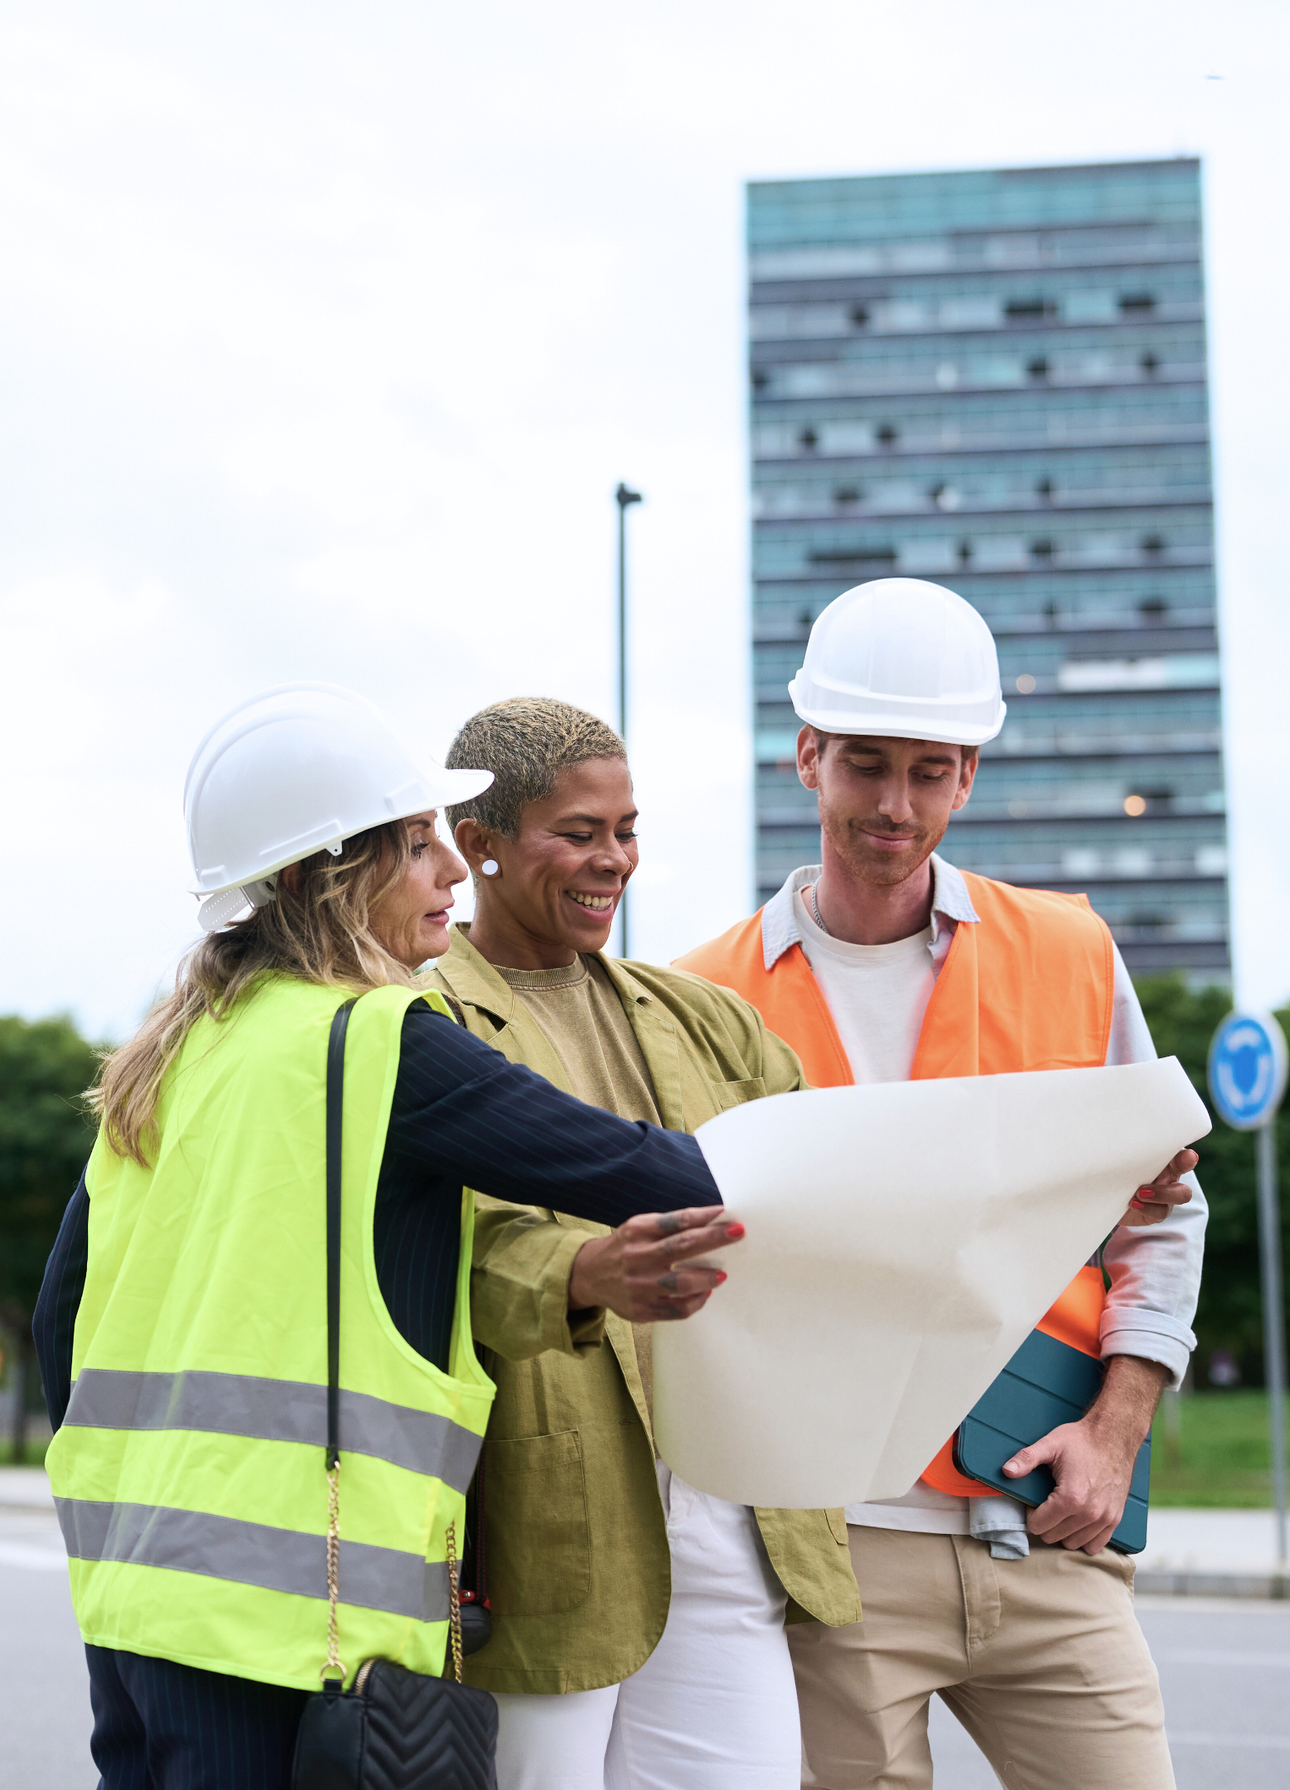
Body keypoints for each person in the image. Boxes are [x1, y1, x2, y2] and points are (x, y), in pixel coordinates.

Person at [31, 683, 750, 1790]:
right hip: (291, 1624)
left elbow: (57, 1318)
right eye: (419, 845)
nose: (452, 873)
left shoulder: (170, 1055)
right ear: (336, 872)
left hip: (135, 1593)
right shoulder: (378, 1043)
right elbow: (652, 1171)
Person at [674, 579, 1206, 1790]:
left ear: (968, 775)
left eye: (929, 770)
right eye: (865, 764)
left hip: (1047, 1530)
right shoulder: (700, 997)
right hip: (830, 1559)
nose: (894, 804)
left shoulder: (1069, 953)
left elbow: (1165, 1215)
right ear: (806, 755)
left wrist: (1117, 1432)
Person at [428, 698, 859, 1790]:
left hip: (728, 1497)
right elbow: (426, 1248)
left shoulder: (699, 1014)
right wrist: (581, 1272)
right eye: (577, 831)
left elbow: (830, 1163)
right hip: (550, 1510)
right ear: (475, 842)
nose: (612, 858)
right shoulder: (418, 1019)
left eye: (625, 828)